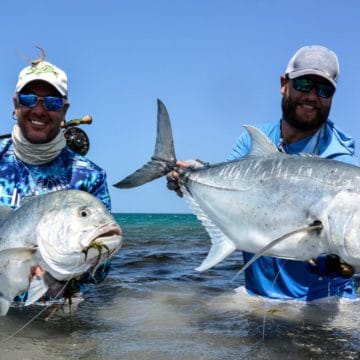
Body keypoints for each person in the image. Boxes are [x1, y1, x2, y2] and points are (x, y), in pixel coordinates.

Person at [167, 45, 359, 301]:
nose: (313, 96)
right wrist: (191, 177)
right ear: (284, 84)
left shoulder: (342, 162)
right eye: (304, 84)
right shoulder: (251, 142)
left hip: (323, 303)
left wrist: (350, 267)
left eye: (324, 90)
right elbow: (231, 196)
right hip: (256, 296)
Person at [2, 52, 111, 303]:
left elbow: (101, 273)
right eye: (29, 99)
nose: (39, 110)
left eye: (51, 102)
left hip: (58, 312)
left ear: (64, 110)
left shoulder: (89, 176)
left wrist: (71, 269)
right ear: (16, 104)